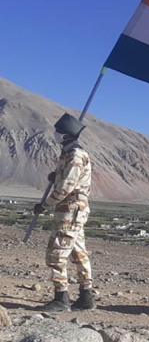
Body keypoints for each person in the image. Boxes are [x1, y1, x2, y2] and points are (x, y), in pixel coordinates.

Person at [33, 113, 94, 311]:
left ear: (67, 135)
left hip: (70, 209)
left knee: (57, 253)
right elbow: (65, 179)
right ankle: (86, 297)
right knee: (78, 253)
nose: (56, 134)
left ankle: (61, 299)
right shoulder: (67, 154)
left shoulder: (75, 155)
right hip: (72, 210)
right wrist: (57, 174)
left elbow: (65, 188)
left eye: (59, 132)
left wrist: (44, 205)